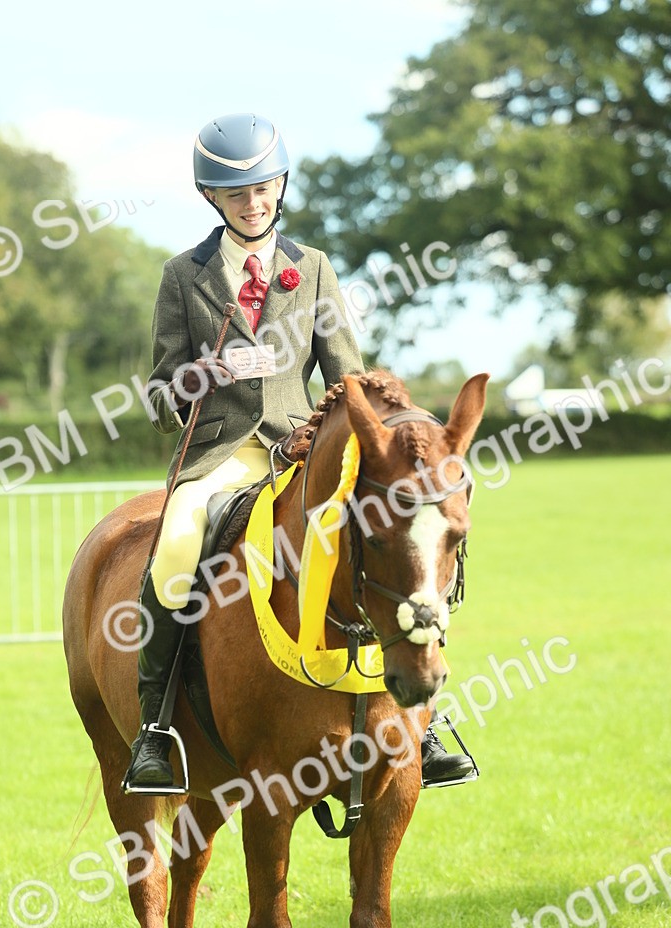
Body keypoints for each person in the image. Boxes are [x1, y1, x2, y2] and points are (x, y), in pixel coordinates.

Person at [122, 113, 474, 794]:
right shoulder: (181, 276)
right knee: (174, 549)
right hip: (222, 453)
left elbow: (353, 380)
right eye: (237, 195)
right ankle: (155, 731)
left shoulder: (312, 269)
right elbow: (162, 397)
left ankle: (420, 722)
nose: (253, 203)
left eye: (264, 189)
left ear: (280, 187)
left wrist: (395, 426)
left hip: (304, 447)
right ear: (212, 200)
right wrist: (209, 374)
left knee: (391, 540)